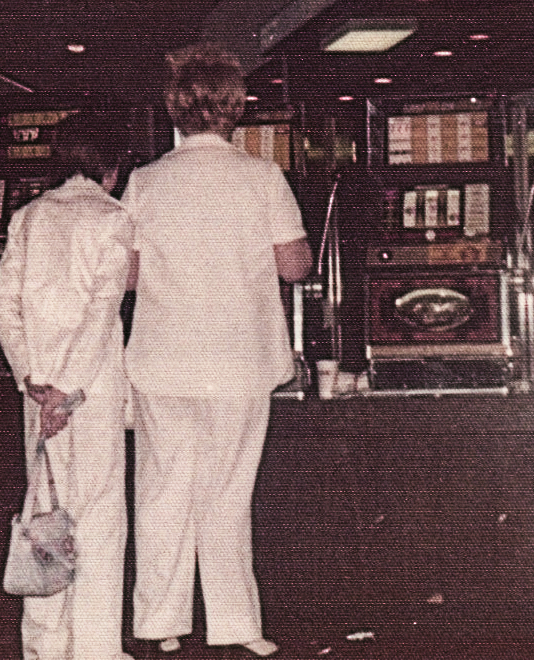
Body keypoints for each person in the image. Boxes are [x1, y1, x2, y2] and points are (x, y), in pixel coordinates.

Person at [121, 42, 313, 657]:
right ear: (235, 108)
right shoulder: (263, 177)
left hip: (161, 359)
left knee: (161, 490)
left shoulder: (144, 182)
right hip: (239, 358)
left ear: (175, 108)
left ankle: (159, 624)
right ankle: (237, 626)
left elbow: (126, 275)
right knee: (228, 492)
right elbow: (294, 266)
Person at [0, 109, 135, 660]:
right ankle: (97, 649)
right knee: (97, 519)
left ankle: (44, 648)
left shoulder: (27, 217)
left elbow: (2, 307)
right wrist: (68, 393)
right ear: (112, 166)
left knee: (44, 514)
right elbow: (101, 314)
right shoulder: (114, 218)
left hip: (38, 395)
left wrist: (35, 380)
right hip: (89, 397)